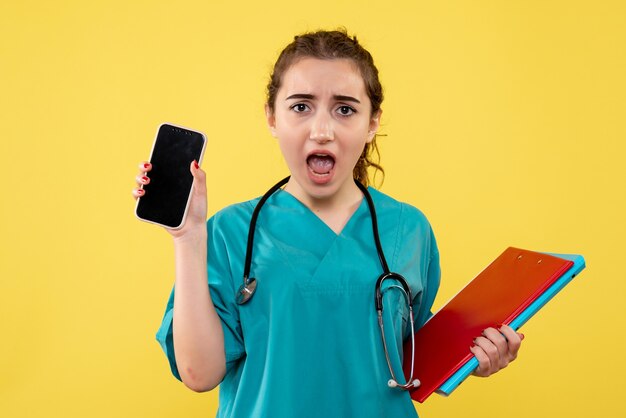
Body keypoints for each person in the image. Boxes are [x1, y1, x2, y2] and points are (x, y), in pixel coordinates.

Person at [132, 29, 523, 418]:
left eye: (345, 109)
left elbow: (414, 358)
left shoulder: (408, 229)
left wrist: (479, 356)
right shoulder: (228, 232)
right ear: (272, 117)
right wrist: (187, 237)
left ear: (372, 123)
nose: (322, 130)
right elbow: (199, 374)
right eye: (301, 107)